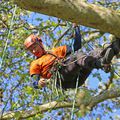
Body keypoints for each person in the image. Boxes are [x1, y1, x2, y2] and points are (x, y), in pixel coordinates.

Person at [24, 25, 120, 89]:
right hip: (61, 79)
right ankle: (101, 63)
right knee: (77, 57)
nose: (33, 51)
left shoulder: (55, 51)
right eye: (31, 50)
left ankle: (116, 46)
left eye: (34, 47)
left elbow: (76, 46)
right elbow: (33, 83)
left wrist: (76, 28)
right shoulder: (35, 64)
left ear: (40, 43)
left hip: (77, 75)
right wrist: (38, 83)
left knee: (95, 53)